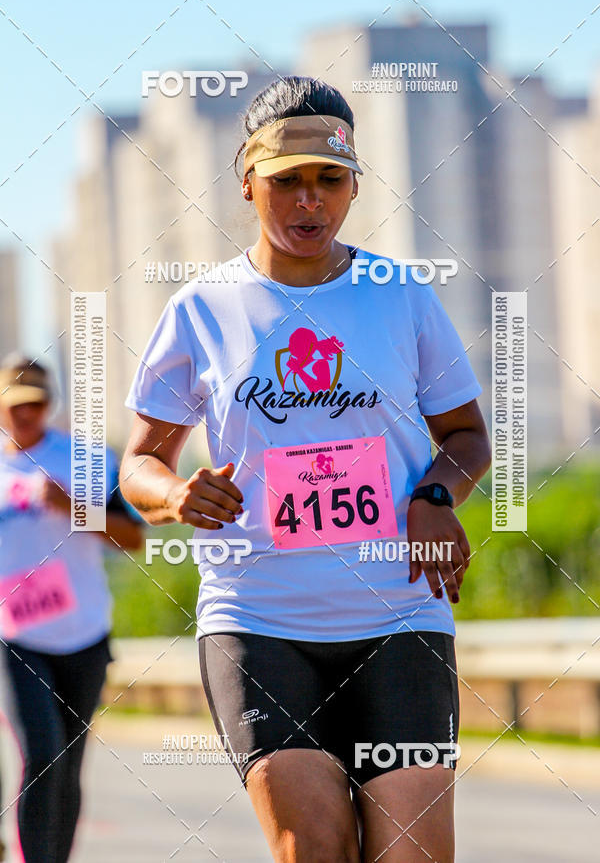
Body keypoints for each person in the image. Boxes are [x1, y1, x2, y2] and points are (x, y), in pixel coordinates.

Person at [120, 76, 491, 862]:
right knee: (313, 846)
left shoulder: (401, 296)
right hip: (257, 619)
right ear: (247, 182)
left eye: (330, 179)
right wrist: (177, 494)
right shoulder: (201, 308)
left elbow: (465, 435)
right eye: (286, 181)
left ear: (355, 184)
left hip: (398, 613)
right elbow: (141, 463)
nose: (309, 202)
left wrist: (434, 494)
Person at [0, 355, 143, 863]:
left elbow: (134, 540)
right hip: (15, 639)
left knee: (67, 763)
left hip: (83, 633)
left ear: (50, 403)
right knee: (41, 756)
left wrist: (75, 508)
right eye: (16, 406)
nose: (26, 415)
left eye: (36, 404)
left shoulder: (86, 459)